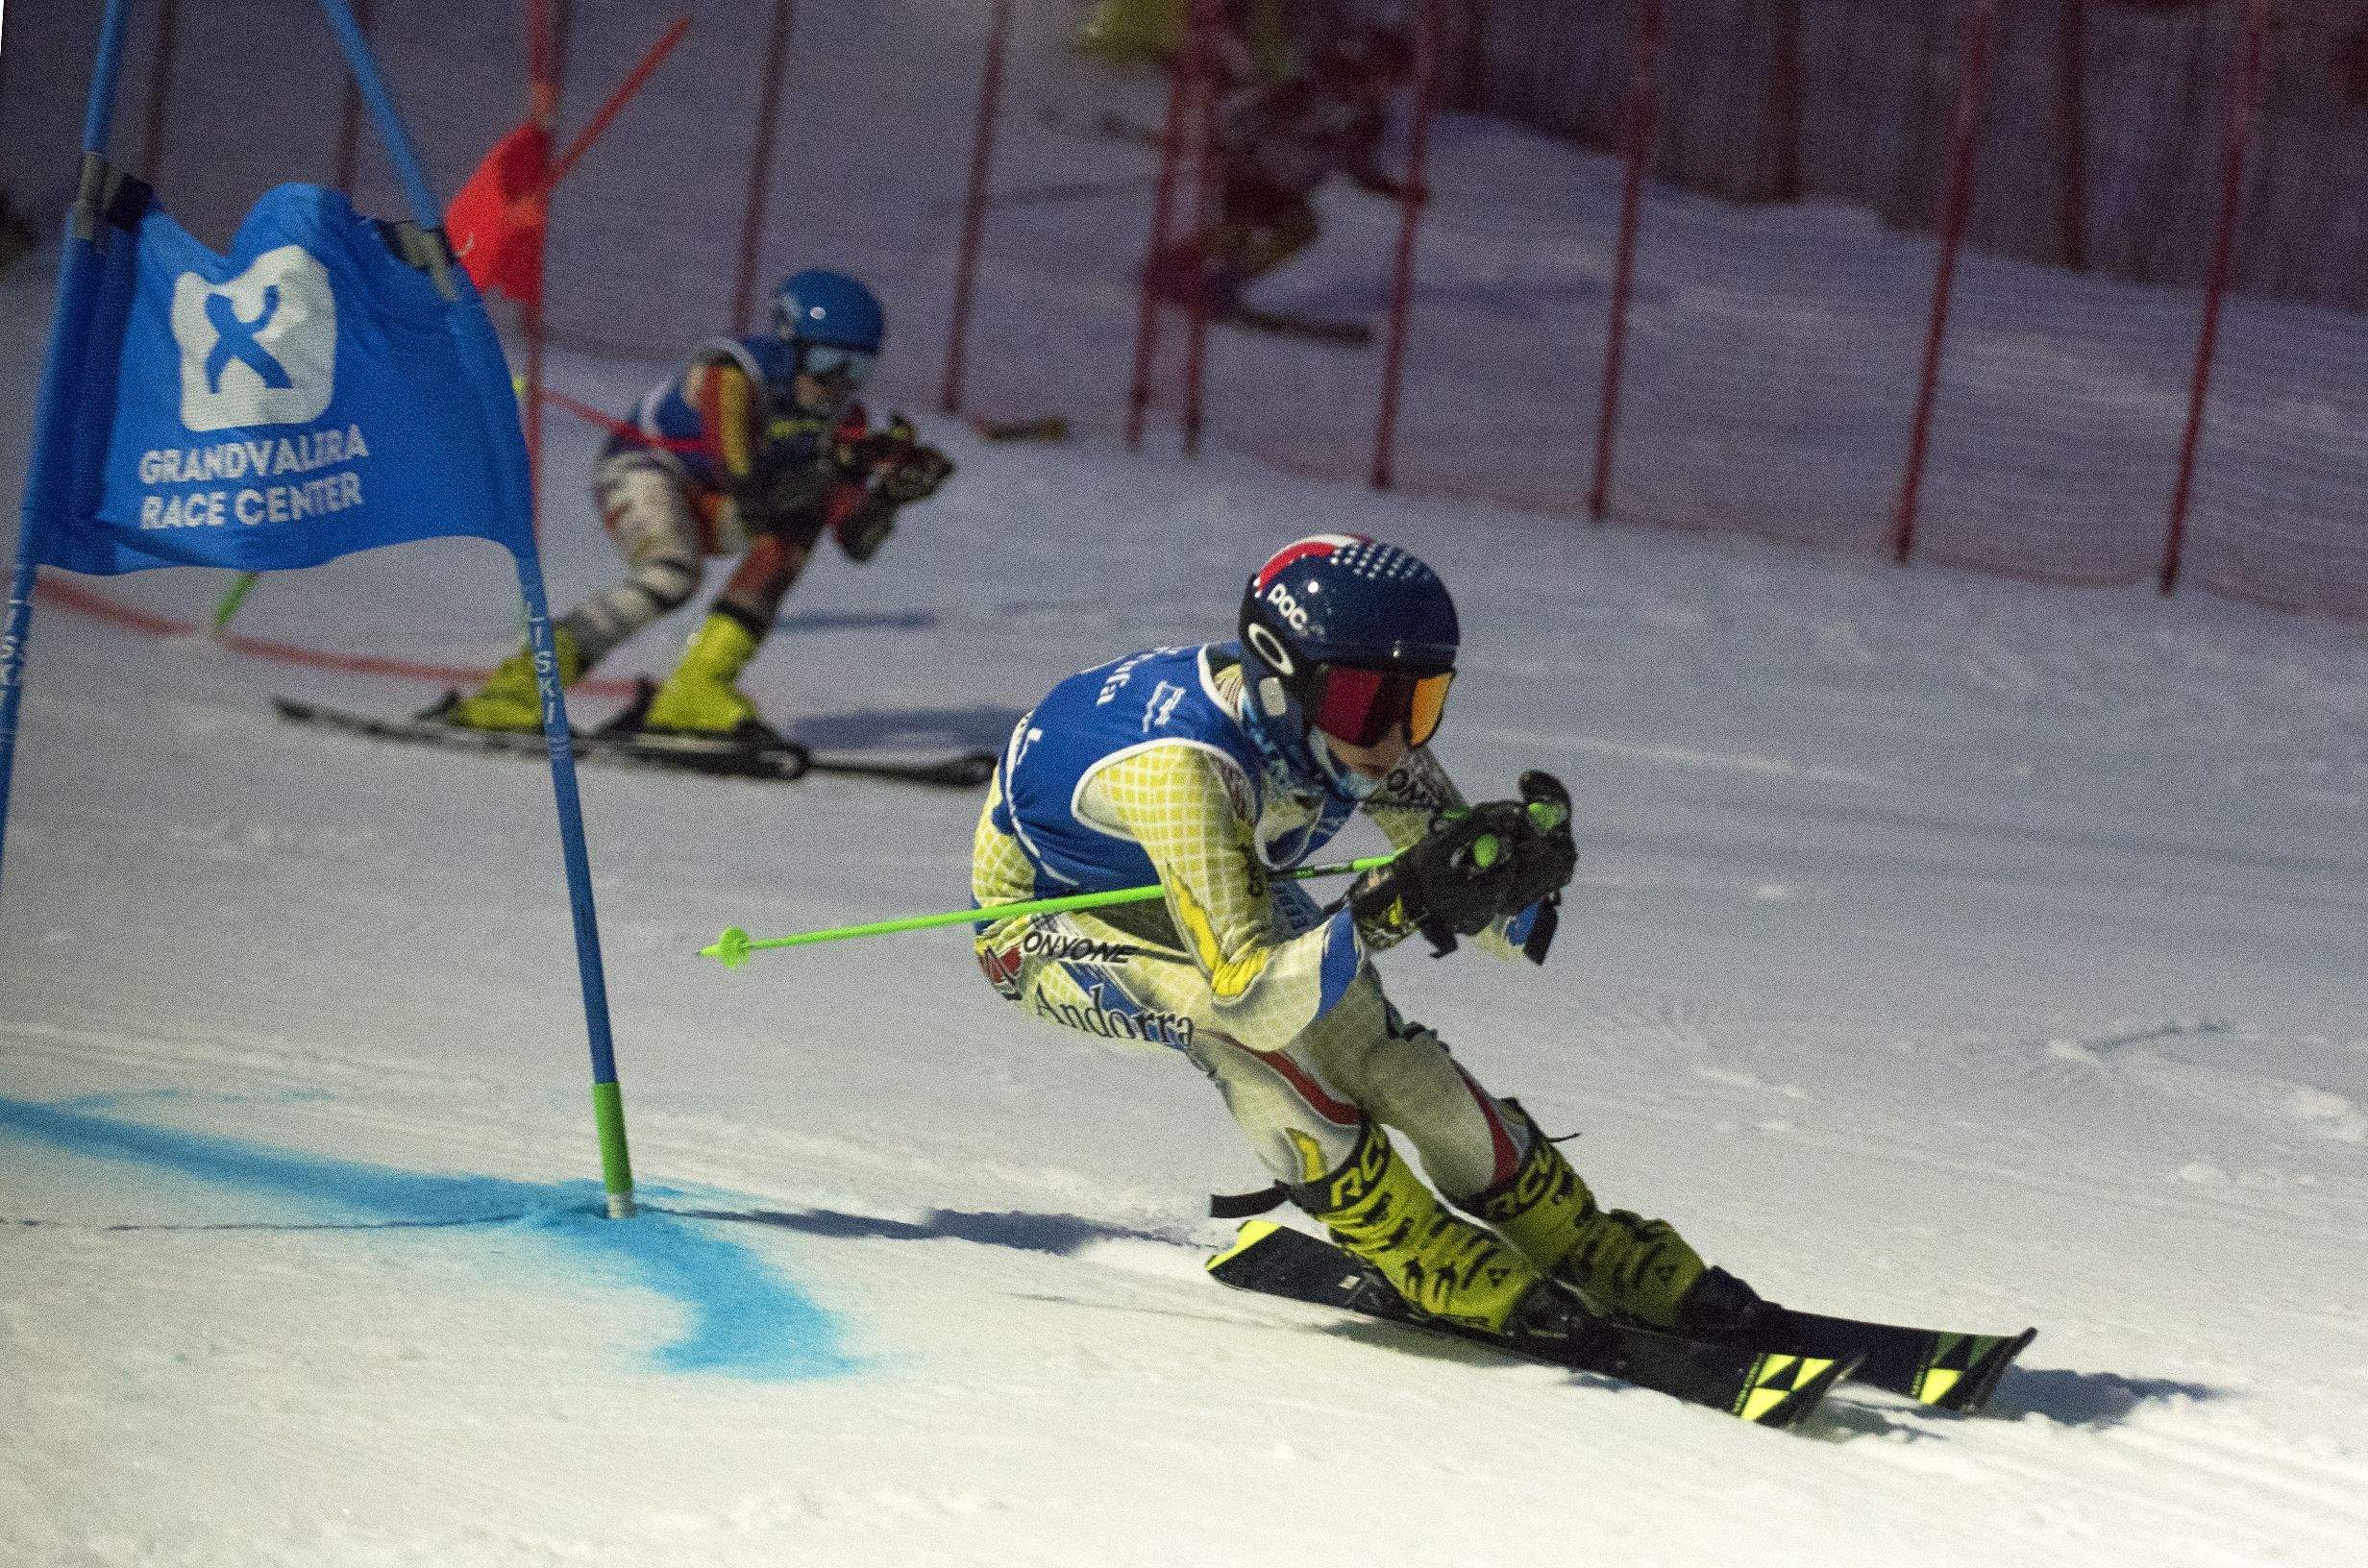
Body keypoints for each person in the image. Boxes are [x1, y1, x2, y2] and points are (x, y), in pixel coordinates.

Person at [969, 533, 1766, 1340]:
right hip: (1054, 919)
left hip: (1218, 880)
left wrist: (1519, 882)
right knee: (1240, 1041)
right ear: (1284, 682)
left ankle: (1583, 1242)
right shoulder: (1183, 771)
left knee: (1399, 1067)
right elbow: (1247, 995)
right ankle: (1411, 1248)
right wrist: (1386, 912)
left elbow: (1467, 897)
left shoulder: (1348, 737)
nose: (1390, 743)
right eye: (1362, 704)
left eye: (1417, 704)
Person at [442, 268, 955, 737]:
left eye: (858, 368)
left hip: (721, 502)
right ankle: (519, 686)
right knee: (672, 573)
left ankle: (694, 690)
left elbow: (857, 543)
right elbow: (740, 481)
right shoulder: (734, 373)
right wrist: (833, 469)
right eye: (826, 361)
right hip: (648, 471)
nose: (838, 382)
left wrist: (888, 496)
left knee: (799, 526)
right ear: (791, 346)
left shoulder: (845, 418)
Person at [1145, 24, 1419, 317]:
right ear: (1369, 66)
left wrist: (1391, 189)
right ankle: (1176, 272)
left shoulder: (1368, 118)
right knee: (1241, 230)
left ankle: (1209, 282)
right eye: (1389, 76)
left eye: (1396, 81)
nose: (1390, 88)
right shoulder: (1313, 90)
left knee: (1298, 229)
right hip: (1252, 171)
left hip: (1287, 184)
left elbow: (1356, 162)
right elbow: (1248, 113)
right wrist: (1225, 142)